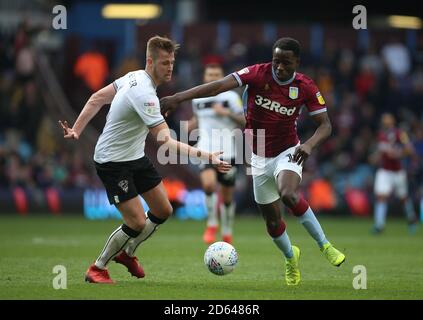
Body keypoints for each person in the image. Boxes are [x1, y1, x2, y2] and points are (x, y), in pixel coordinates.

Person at [161, 37, 346, 286]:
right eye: (276, 61)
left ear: (297, 63)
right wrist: (177, 97)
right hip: (258, 156)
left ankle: (325, 245)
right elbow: (217, 87)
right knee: (272, 222)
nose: (279, 67)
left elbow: (325, 125)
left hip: (288, 151)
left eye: (285, 63)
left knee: (288, 194)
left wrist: (309, 145)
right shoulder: (258, 73)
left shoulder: (306, 87)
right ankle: (291, 257)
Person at [59, 36, 231, 284]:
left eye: (171, 62)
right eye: (164, 63)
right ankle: (97, 268)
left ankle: (127, 253)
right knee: (136, 221)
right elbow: (166, 142)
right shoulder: (145, 94)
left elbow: (97, 98)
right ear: (150, 62)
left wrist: (76, 129)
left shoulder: (134, 76)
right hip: (112, 162)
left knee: (163, 209)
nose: (170, 67)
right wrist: (208, 156)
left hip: (135, 156)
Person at [186, 64, 245, 244]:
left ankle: (227, 230)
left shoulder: (231, 97)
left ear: (222, 77)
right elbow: (199, 118)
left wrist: (226, 112)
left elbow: (244, 121)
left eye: (216, 75)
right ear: (204, 78)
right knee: (209, 185)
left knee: (227, 197)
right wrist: (189, 125)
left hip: (228, 150)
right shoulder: (197, 99)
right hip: (205, 149)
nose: (212, 78)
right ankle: (212, 224)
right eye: (209, 74)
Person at [371, 113, 418, 234]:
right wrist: (375, 157)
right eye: (384, 119)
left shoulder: (400, 133)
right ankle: (379, 225)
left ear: (392, 121)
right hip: (385, 170)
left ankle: (411, 218)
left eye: (387, 118)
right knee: (381, 196)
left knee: (403, 198)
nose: (385, 121)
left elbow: (409, 149)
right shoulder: (381, 135)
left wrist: (399, 154)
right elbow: (382, 151)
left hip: (397, 171)